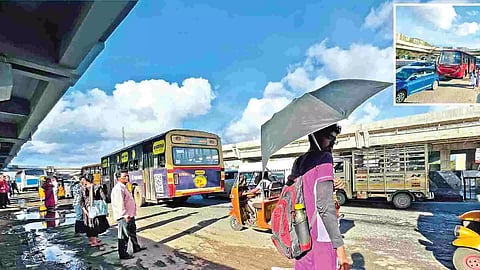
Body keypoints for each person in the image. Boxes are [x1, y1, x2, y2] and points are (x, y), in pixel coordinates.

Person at [289, 124, 350, 270]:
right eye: (329, 137)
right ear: (314, 135)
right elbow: (324, 207)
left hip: (301, 236)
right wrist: (341, 250)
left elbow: (303, 192)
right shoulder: (324, 158)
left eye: (334, 138)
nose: (332, 142)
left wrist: (330, 185)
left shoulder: (298, 161)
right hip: (322, 238)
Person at [111, 171, 146, 259]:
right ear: (118, 178)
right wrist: (125, 215)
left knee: (132, 232)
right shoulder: (118, 188)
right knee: (124, 235)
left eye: (127, 176)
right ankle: (123, 253)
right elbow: (119, 203)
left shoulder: (124, 187)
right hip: (124, 216)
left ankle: (136, 247)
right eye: (124, 176)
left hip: (130, 215)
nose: (127, 178)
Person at [80, 176, 104, 248]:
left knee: (88, 224)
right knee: (94, 224)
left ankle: (92, 240)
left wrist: (84, 209)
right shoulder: (97, 187)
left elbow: (81, 201)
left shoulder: (82, 188)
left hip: (86, 209)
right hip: (94, 209)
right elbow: (103, 198)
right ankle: (94, 242)